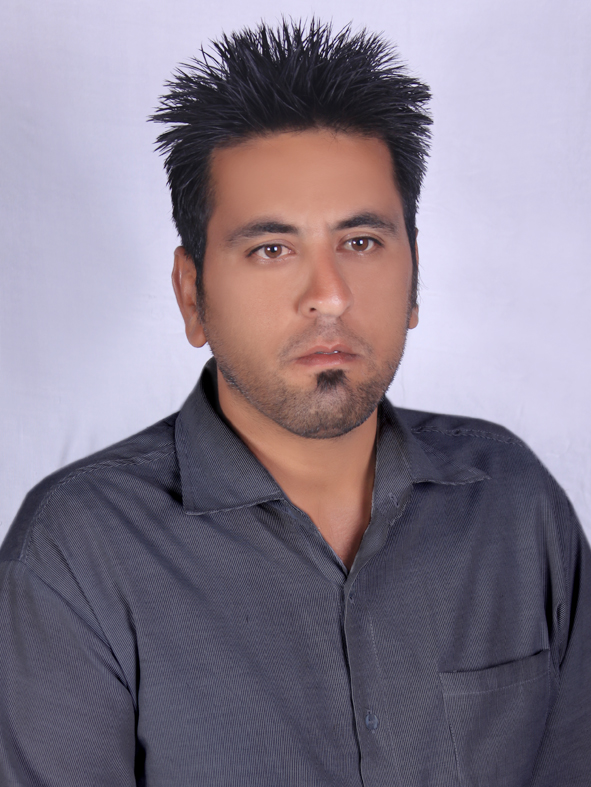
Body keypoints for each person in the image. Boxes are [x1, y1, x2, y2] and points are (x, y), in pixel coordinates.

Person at [0, 19, 589, 787]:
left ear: (413, 274)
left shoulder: (511, 501)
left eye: (361, 241)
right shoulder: (75, 554)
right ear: (192, 294)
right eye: (271, 249)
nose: (329, 295)